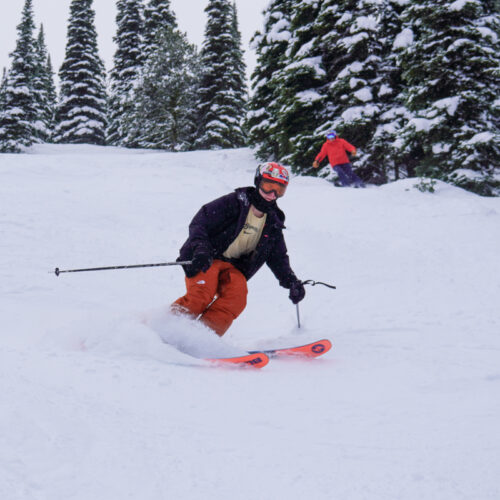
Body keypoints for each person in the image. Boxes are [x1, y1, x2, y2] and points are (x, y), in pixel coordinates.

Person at [171, 162, 306, 336]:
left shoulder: (273, 221)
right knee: (201, 294)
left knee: (236, 299)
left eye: (279, 190)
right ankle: (169, 328)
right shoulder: (236, 202)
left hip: (233, 267)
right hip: (207, 258)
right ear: (258, 182)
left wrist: (291, 281)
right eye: (268, 186)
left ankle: (202, 337)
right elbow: (200, 222)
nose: (272, 194)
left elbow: (278, 256)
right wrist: (201, 249)